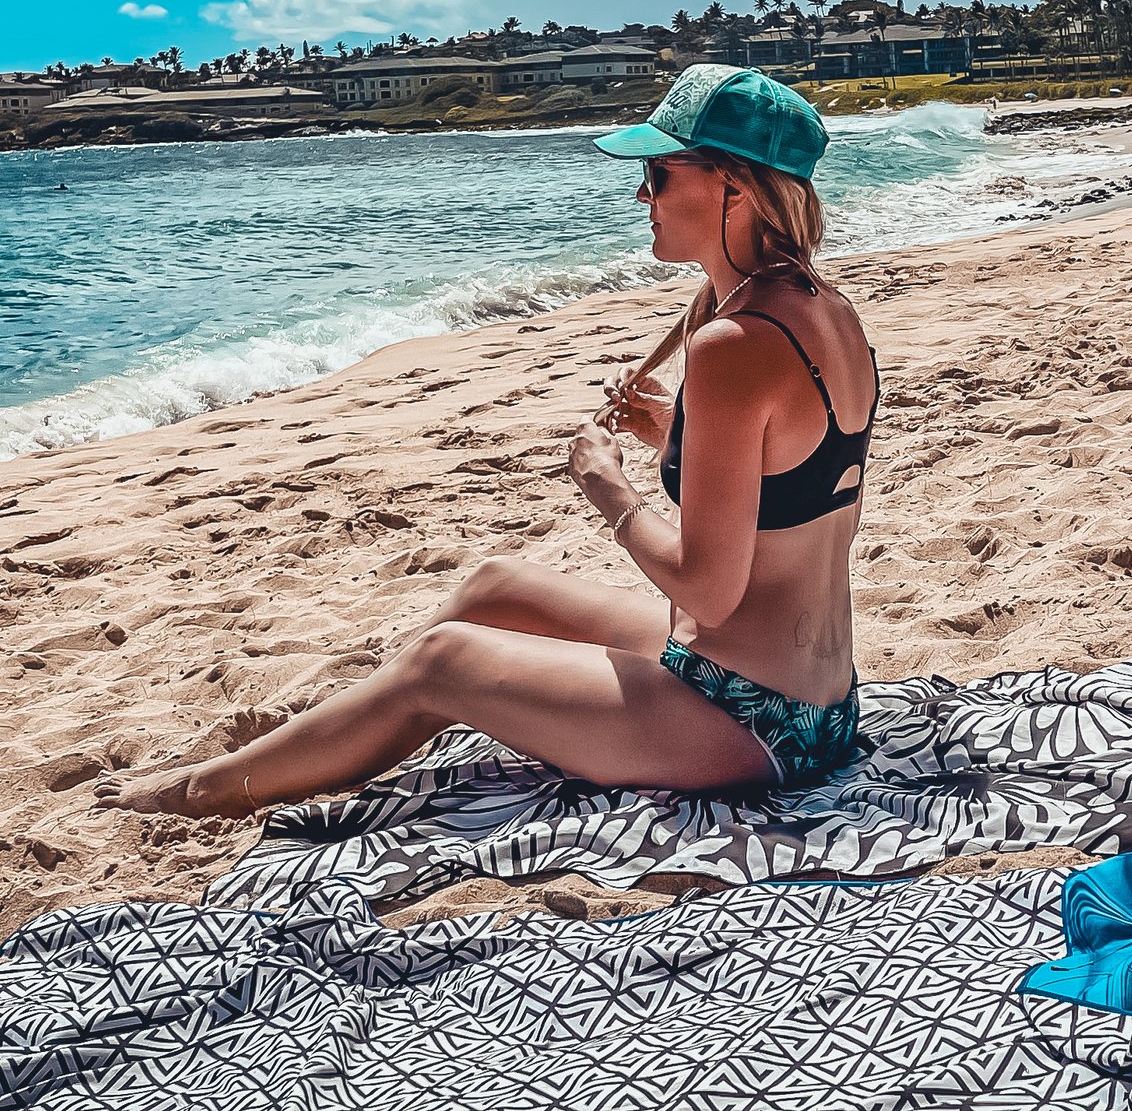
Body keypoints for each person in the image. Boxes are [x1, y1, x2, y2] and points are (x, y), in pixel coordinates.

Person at [95, 65, 878, 817]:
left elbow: (708, 590)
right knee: (496, 587)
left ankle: (212, 789)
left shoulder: (732, 341)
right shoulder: (822, 310)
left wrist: (608, 488)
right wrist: (680, 432)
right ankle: (354, 720)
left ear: (733, 186)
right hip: (812, 697)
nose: (642, 193)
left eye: (661, 174)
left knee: (446, 662)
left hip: (755, 722)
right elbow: (798, 482)